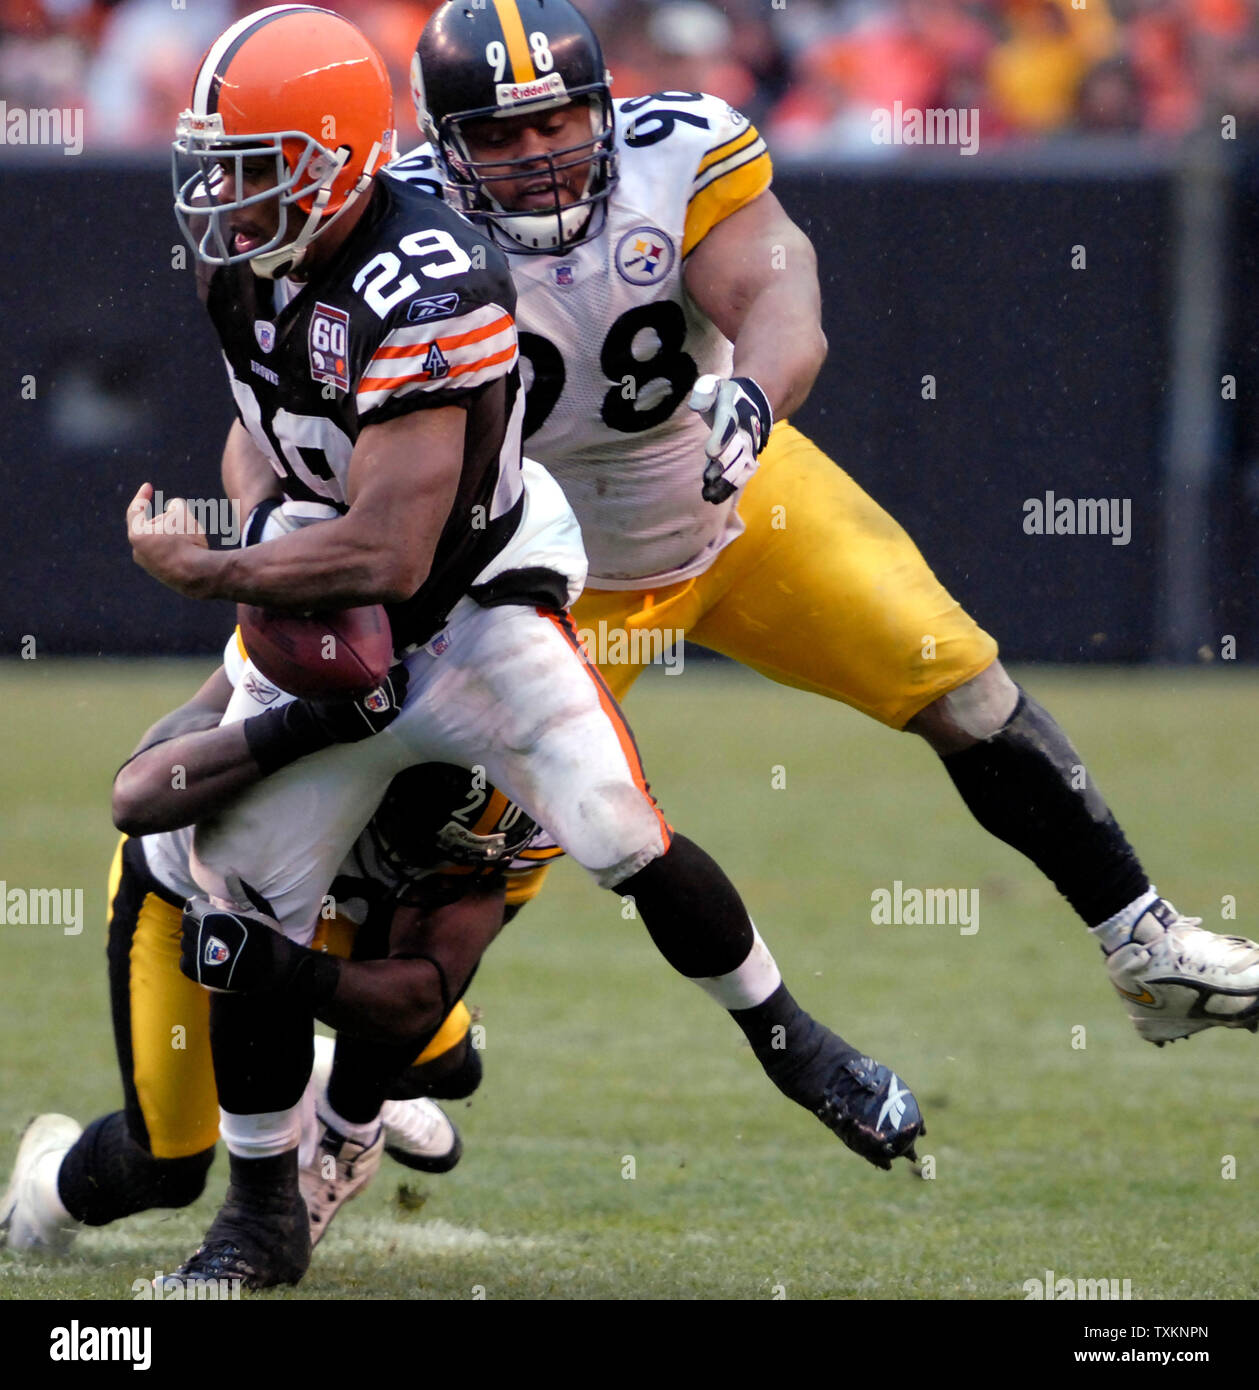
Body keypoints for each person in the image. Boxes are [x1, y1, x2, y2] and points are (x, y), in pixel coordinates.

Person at [127, 4, 924, 1289]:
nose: (224, 197)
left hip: (469, 607)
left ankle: (792, 1043)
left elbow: (389, 551)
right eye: (216, 165)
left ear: (333, 155)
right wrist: (269, 575)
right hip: (337, 627)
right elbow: (275, 450)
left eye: (255, 164)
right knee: (240, 882)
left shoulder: (427, 274)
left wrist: (214, 569)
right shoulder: (245, 266)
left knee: (615, 824)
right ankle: (260, 1211)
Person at [404, 0, 1259, 1048]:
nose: (538, 157)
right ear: (443, 145)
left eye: (557, 124)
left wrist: (753, 394)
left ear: (603, 108)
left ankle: (1142, 944)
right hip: (550, 577)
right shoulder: (407, 236)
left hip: (731, 487)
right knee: (471, 866)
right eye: (499, 134)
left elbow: (779, 292)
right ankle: (371, 1081)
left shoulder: (674, 155)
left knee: (964, 688)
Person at [0, 627, 513, 1260]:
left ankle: (325, 1087)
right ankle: (43, 1192)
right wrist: (294, 729)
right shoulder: (328, 645)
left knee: (442, 1063)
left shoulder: (507, 721)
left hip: (338, 909)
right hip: (191, 906)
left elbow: (416, 993)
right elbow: (138, 793)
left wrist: (293, 976)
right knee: (166, 1167)